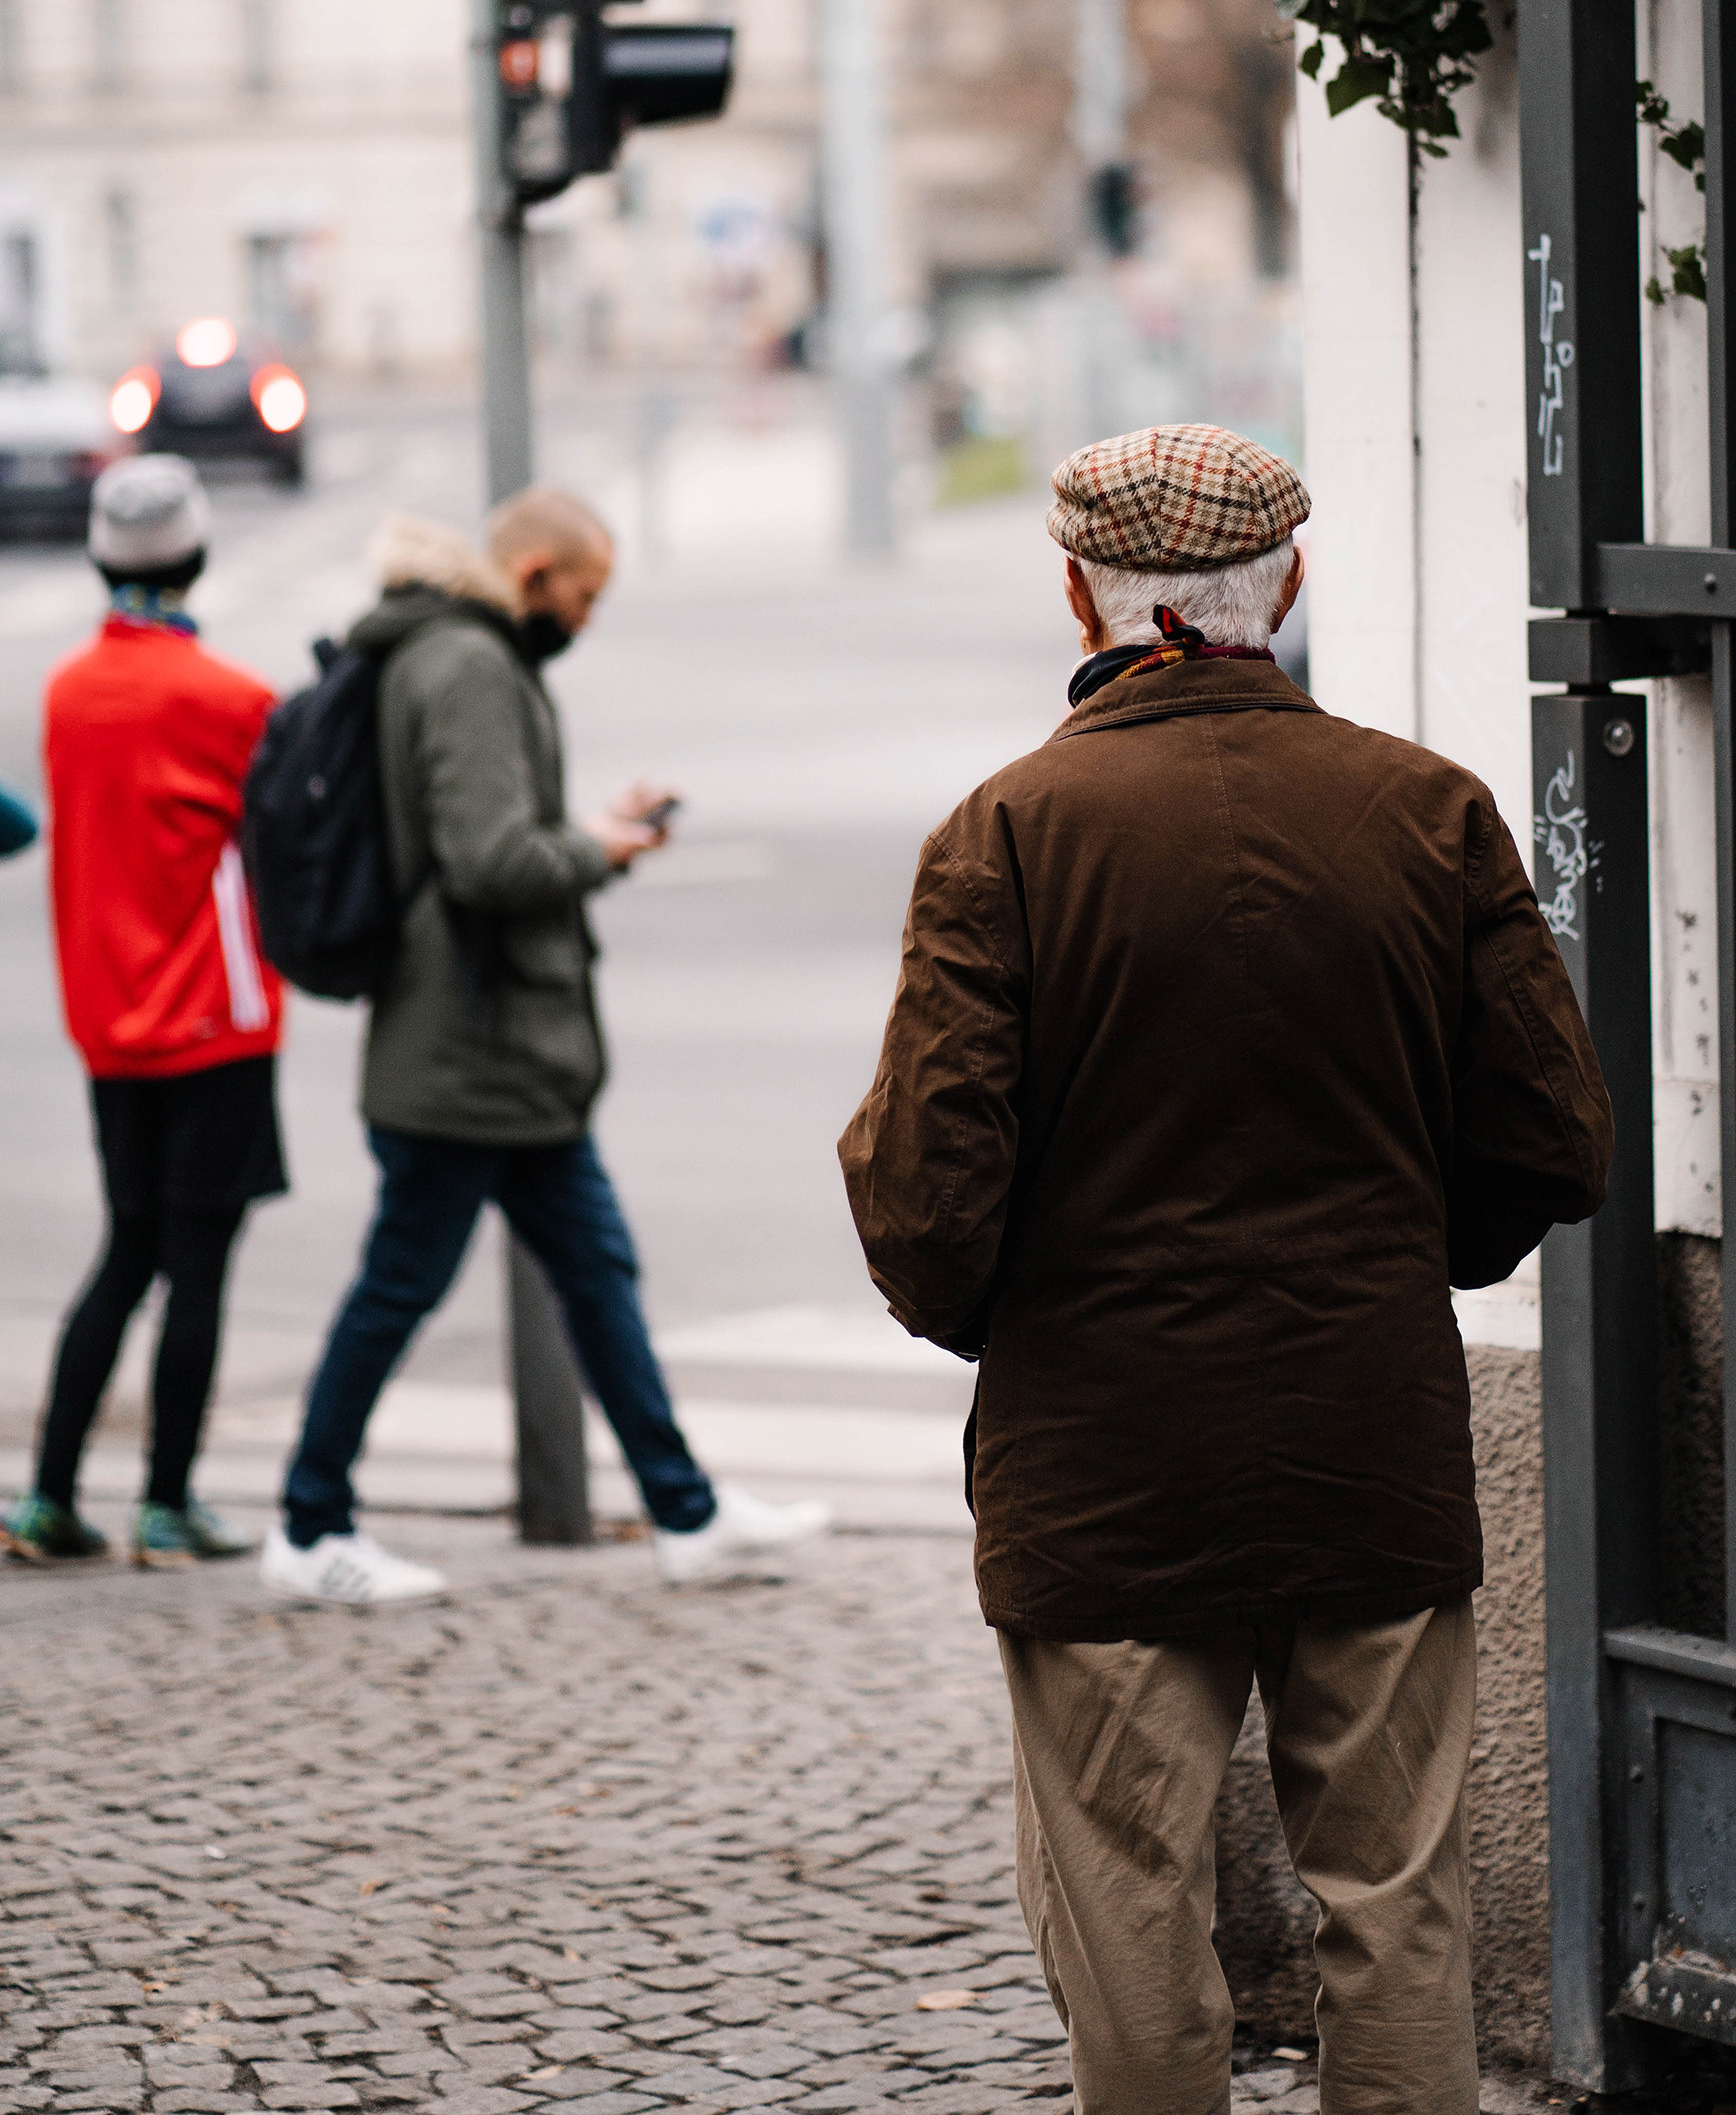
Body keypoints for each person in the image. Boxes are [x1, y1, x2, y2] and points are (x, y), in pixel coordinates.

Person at [840, 423, 1615, 2115]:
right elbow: (1552, 1141)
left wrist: (1022, 1328)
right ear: (1291, 582)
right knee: (1397, 1904)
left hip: (1102, 1455)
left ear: (1075, 592)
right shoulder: (1428, 811)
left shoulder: (1009, 834)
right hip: (1368, 1429)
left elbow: (924, 1198)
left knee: (1129, 1911)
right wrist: (1407, 1264)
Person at [263, 488, 828, 1608]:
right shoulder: (466, 665)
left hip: (498, 1050)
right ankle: (307, 1523)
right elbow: (487, 862)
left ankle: (685, 1511)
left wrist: (584, 831)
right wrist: (604, 850)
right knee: (401, 1286)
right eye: (585, 593)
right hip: (467, 1045)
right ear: (531, 575)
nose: (588, 616)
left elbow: (482, 837)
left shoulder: (451, 653)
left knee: (593, 1271)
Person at [2, 456, 285, 1573]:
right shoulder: (234, 700)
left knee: (126, 1250)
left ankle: (47, 1494)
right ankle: (167, 1504)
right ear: (198, 554)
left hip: (108, 1020)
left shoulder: (67, 692)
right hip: (216, 1017)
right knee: (201, 1261)